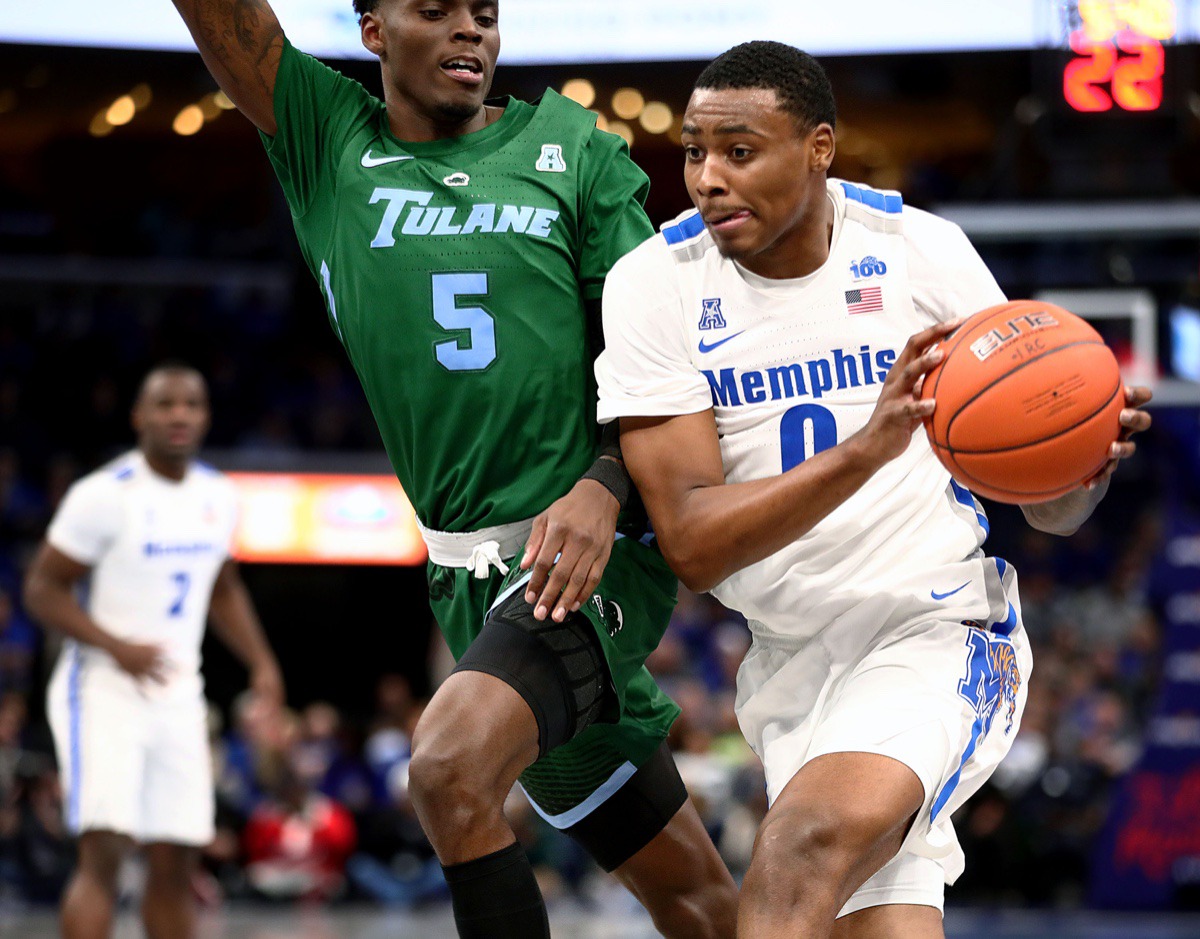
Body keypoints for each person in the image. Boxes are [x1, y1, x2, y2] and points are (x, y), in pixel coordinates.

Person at [164, 2, 738, 936]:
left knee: (446, 769)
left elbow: (665, 363)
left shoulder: (575, 152)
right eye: (436, 11)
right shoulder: (327, 139)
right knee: (698, 900)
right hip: (467, 579)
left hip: (592, 554)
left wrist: (604, 483)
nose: (471, 30)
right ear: (374, 31)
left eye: (486, 13)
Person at [596, 40, 1154, 938]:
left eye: (740, 151)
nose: (707, 177)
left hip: (936, 629)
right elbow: (693, 545)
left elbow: (1047, 513)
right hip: (789, 664)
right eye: (697, 150)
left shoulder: (922, 253)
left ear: (819, 148)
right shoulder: (652, 287)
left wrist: (1080, 462)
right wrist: (868, 446)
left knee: (797, 850)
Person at [23, 363, 285, 939]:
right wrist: (116, 646)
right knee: (105, 854)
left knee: (177, 859)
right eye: (165, 404)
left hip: (177, 693)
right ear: (139, 416)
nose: (179, 415)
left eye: (191, 404)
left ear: (206, 416)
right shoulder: (101, 495)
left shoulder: (217, 495)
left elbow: (223, 588)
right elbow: (41, 588)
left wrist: (261, 662)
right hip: (101, 687)